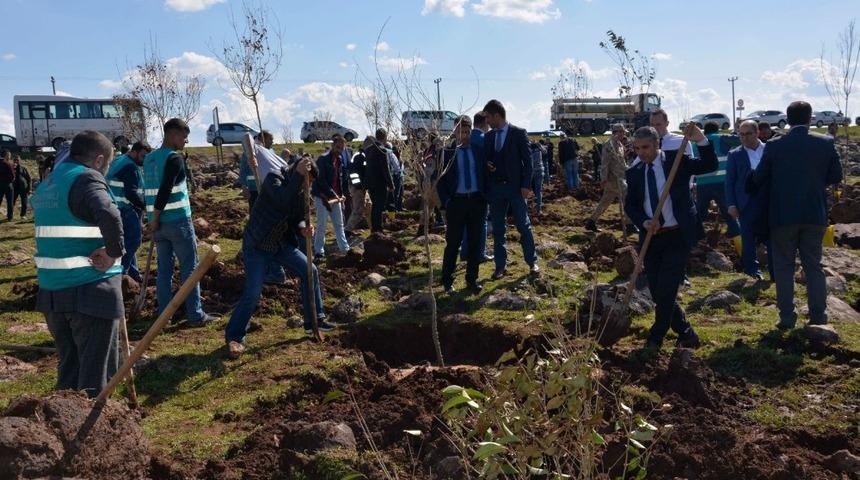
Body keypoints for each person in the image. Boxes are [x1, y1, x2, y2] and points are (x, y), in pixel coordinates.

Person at [31, 130, 124, 397]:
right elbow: (108, 212)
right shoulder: (86, 179)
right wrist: (113, 252)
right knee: (95, 379)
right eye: (107, 164)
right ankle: (90, 433)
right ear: (98, 160)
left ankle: (60, 428)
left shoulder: (50, 182)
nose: (106, 170)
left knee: (69, 372)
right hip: (89, 290)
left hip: (53, 292)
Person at [224, 157, 336, 358]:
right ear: (297, 172)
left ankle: (314, 321)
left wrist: (303, 229)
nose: (306, 187)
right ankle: (234, 336)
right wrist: (299, 176)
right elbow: (282, 201)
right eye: (305, 181)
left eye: (309, 183)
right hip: (257, 244)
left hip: (281, 244)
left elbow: (298, 218)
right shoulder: (274, 179)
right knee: (253, 292)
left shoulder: (300, 189)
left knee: (310, 271)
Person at [749, 101, 843, 330]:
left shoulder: (774, 146)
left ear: (788, 120)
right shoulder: (826, 142)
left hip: (782, 214)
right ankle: (819, 316)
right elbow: (836, 176)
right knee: (814, 266)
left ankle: (787, 318)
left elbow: (759, 178)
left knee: (783, 267)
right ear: (810, 118)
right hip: (814, 212)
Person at [624, 124, 717, 350]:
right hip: (652, 236)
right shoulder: (634, 172)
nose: (641, 152)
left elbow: (709, 165)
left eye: (645, 147)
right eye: (637, 148)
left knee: (667, 288)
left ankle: (656, 336)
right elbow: (631, 206)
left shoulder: (676, 161)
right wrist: (644, 221)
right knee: (656, 290)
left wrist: (701, 140)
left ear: (658, 144)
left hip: (678, 235)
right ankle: (686, 332)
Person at [144, 118, 218, 327]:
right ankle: (195, 314)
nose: (186, 140)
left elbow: (148, 191)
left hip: (157, 226)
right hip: (176, 222)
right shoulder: (174, 158)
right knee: (190, 268)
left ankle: (164, 315)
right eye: (184, 136)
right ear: (173, 135)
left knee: (164, 270)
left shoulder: (149, 159)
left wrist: (152, 221)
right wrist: (157, 217)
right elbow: (165, 190)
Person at [483, 99, 538, 278]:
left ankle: (532, 262)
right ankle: (500, 266)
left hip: (516, 188)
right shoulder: (489, 137)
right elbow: (486, 159)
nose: (487, 122)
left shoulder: (518, 133)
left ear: (497, 115)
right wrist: (488, 165)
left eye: (488, 118)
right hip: (497, 189)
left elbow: (528, 162)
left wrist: (526, 185)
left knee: (523, 225)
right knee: (498, 228)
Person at [438, 115, 487, 294]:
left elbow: (484, 174)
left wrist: (484, 196)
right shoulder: (446, 153)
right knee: (453, 243)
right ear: (454, 131)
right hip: (456, 203)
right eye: (460, 131)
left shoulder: (478, 150)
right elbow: (440, 181)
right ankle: (447, 280)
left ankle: (472, 280)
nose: (463, 135)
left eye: (467, 131)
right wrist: (447, 202)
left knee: (475, 242)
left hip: (476, 201)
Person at [725, 120, 773, 281]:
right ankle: (753, 271)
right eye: (741, 134)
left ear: (757, 132)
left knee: (772, 238)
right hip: (746, 202)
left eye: (748, 134)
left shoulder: (769, 150)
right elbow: (730, 181)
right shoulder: (735, 154)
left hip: (768, 201)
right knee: (748, 239)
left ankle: (775, 271)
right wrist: (731, 204)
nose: (744, 138)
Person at [105, 141, 150, 282]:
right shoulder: (130, 167)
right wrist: (145, 206)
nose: (144, 160)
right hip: (124, 207)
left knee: (127, 243)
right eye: (143, 156)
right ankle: (122, 273)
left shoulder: (120, 160)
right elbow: (131, 193)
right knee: (134, 240)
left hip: (113, 206)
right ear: (134, 151)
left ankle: (133, 274)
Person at [693, 123, 741, 239]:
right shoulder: (721, 138)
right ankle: (737, 236)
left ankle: (696, 237)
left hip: (702, 183)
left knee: (700, 213)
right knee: (728, 211)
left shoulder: (696, 143)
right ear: (717, 130)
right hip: (721, 183)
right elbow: (740, 140)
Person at [586, 124, 635, 233]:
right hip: (613, 179)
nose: (623, 134)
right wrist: (603, 179)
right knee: (627, 196)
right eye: (622, 132)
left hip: (620, 176)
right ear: (616, 132)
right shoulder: (609, 145)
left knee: (605, 201)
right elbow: (605, 164)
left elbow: (621, 162)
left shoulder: (619, 145)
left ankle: (591, 221)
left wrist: (629, 170)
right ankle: (629, 224)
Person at [459, 111, 492, 263]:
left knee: (466, 222)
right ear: (485, 122)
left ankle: (465, 251)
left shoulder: (466, 139)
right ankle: (480, 253)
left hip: (464, 190)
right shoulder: (484, 139)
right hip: (480, 188)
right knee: (482, 222)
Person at [312, 134, 351, 257]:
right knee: (322, 225)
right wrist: (333, 194)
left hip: (335, 198)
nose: (340, 150)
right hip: (322, 196)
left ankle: (345, 248)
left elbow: (340, 180)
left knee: (339, 224)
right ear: (332, 146)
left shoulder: (339, 161)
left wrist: (342, 195)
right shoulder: (322, 160)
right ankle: (319, 251)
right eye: (338, 147)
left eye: (342, 148)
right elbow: (321, 181)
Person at [364, 128, 394, 233]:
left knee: (375, 206)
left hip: (370, 182)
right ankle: (378, 228)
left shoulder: (368, 149)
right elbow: (385, 169)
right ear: (385, 137)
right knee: (379, 206)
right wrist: (391, 184)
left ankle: (374, 228)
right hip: (380, 183)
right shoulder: (382, 150)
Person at [345, 136, 374, 235]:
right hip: (357, 188)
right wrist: (358, 186)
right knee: (358, 210)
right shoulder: (359, 156)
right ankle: (347, 230)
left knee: (369, 207)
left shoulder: (365, 155)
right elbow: (353, 173)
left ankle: (373, 230)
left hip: (362, 187)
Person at [12, 155, 32, 219]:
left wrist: (29, 189)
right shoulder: (11, 168)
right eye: (15, 160)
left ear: (20, 160)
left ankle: (23, 215)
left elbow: (29, 179)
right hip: (14, 188)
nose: (16, 161)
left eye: (17, 160)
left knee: (24, 202)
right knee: (12, 201)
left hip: (23, 188)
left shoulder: (24, 168)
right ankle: (10, 214)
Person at [386, 142, 403, 212]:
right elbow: (396, 167)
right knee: (395, 194)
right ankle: (393, 210)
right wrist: (399, 173)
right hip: (394, 176)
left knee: (390, 195)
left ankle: (390, 209)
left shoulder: (381, 153)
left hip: (386, 176)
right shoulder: (391, 154)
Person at [529, 141, 545, 215]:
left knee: (527, 191)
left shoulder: (530, 152)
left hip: (532, 172)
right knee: (539, 191)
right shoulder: (540, 151)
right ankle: (539, 209)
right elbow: (545, 150)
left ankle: (526, 211)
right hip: (540, 170)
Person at [0, 150, 14, 221]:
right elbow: (12, 175)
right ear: (6, 155)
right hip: (7, 184)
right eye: (9, 155)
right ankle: (10, 217)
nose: (10, 156)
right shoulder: (7, 163)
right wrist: (11, 181)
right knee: (10, 201)